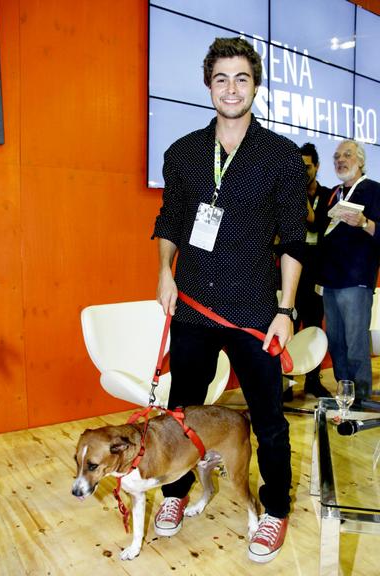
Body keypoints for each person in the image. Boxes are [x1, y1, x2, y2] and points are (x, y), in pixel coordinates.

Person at [152, 37, 307, 564]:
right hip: (194, 304)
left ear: (255, 85)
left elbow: (292, 240)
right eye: (222, 78)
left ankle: (275, 509)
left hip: (252, 309)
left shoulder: (280, 156)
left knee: (268, 419)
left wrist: (285, 310)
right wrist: (164, 273)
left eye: (242, 78)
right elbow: (170, 221)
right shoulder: (184, 153)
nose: (232, 88)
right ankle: (175, 494)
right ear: (208, 85)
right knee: (180, 414)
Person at [320, 139, 380, 400]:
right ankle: (345, 396)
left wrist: (365, 222)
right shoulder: (333, 193)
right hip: (331, 281)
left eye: (346, 155)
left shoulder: (374, 191)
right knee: (336, 343)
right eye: (336, 157)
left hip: (356, 281)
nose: (340, 160)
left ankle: (363, 400)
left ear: (361, 160)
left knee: (356, 345)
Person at [283, 143, 332, 401]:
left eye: (307, 167)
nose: (303, 171)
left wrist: (298, 190)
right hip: (291, 274)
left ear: (317, 166)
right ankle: (287, 385)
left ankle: (313, 381)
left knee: (314, 328)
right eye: (298, 167)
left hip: (316, 274)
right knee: (288, 326)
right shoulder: (288, 193)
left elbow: (316, 221)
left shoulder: (326, 195)